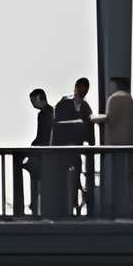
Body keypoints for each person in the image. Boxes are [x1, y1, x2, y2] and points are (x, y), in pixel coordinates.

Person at [52, 77, 95, 214]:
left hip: (76, 148)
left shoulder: (85, 107)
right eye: (80, 89)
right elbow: (56, 125)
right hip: (63, 148)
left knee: (76, 174)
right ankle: (66, 205)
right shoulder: (65, 103)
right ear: (75, 88)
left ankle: (74, 204)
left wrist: (91, 145)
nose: (82, 92)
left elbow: (89, 128)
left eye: (85, 90)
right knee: (64, 177)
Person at [98, 77, 133, 216]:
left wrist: (94, 118)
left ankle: (113, 206)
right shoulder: (130, 100)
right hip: (128, 143)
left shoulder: (114, 99)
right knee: (126, 175)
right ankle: (127, 205)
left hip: (114, 144)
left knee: (115, 176)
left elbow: (110, 117)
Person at [21, 86, 52, 214]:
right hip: (47, 153)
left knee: (35, 175)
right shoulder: (52, 112)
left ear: (40, 98)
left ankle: (34, 205)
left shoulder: (44, 114)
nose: (33, 104)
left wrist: (30, 149)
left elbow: (41, 136)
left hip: (43, 154)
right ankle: (36, 204)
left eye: (33, 101)